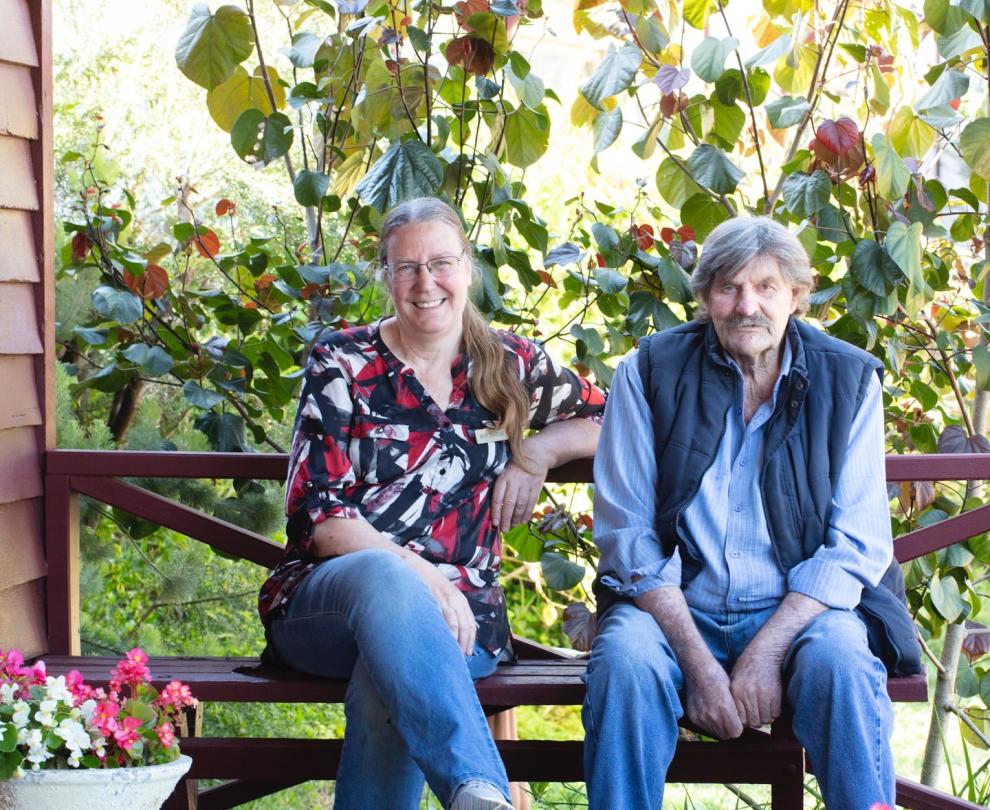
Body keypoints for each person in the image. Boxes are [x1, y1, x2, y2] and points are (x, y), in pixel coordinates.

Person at [257, 197, 605, 810]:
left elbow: (614, 420)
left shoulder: (510, 365)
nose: (426, 283)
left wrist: (540, 451)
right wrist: (426, 580)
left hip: (463, 622)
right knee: (385, 576)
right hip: (328, 604)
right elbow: (321, 519)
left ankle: (476, 797)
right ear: (386, 276)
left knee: (382, 684)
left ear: (468, 268)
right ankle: (479, 789)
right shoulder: (342, 362)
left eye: (441, 262)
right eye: (406, 267)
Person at [582, 216, 921, 809]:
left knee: (843, 661)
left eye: (766, 287)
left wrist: (765, 651)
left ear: (796, 294)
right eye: (728, 287)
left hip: (802, 614)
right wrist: (699, 662)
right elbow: (628, 534)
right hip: (676, 608)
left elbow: (858, 544)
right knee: (625, 662)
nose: (747, 306)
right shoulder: (648, 371)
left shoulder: (849, 378)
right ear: (705, 297)